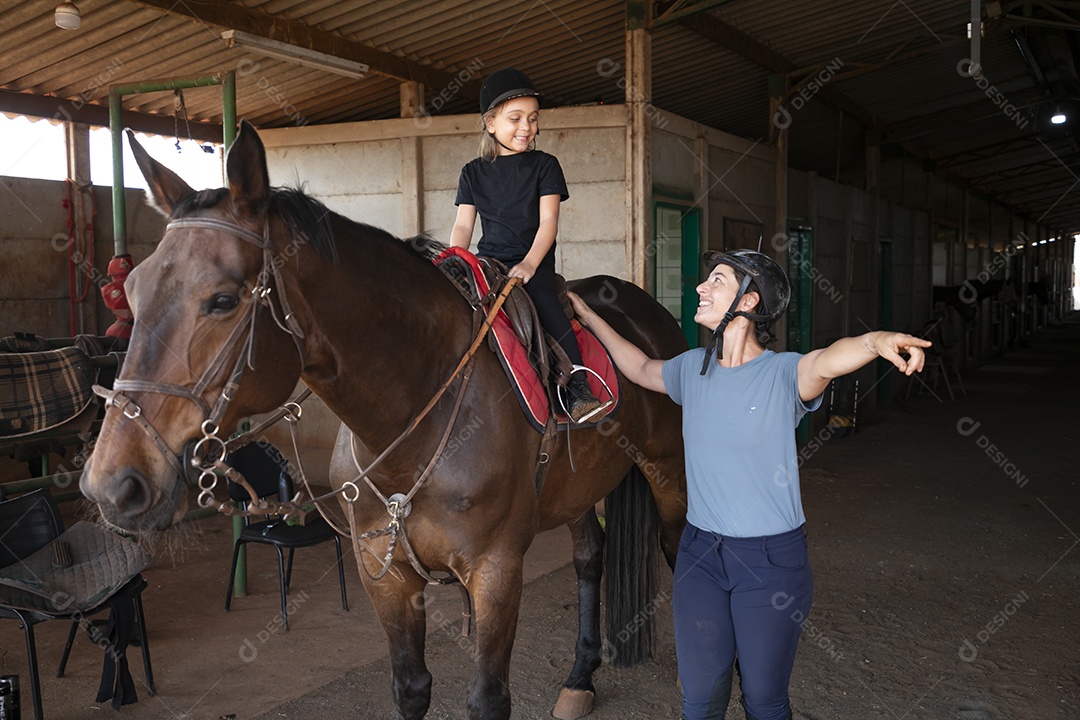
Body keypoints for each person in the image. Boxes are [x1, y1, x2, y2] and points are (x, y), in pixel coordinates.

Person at [569, 249, 931, 720]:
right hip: (700, 557)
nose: (701, 288)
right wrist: (590, 317)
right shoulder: (692, 369)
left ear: (747, 302)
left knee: (764, 702)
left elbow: (828, 360)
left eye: (716, 281)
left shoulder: (783, 374)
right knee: (699, 702)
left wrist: (875, 340)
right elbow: (637, 367)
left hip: (771, 564)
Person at [450, 67, 612, 424]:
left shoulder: (545, 166)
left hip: (532, 265)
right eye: (516, 118)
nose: (527, 127)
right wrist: (458, 259)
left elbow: (548, 223)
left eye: (533, 119)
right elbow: (464, 223)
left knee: (548, 308)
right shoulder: (472, 172)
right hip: (488, 262)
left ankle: (578, 386)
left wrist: (529, 264)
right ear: (491, 124)